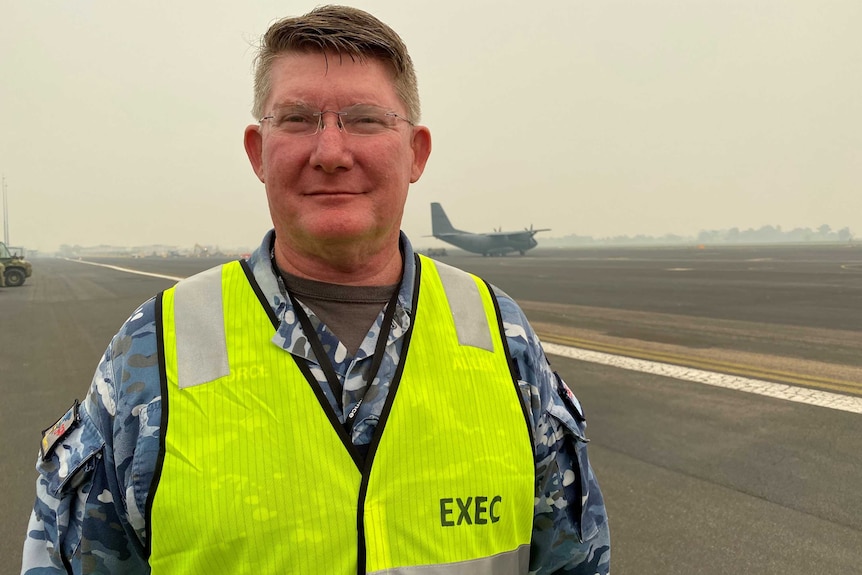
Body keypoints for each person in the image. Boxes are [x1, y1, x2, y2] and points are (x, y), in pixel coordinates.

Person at [22, 5, 610, 574]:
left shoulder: (504, 341)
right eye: (298, 119)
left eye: (365, 119)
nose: (331, 153)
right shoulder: (148, 354)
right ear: (258, 151)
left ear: (417, 152)